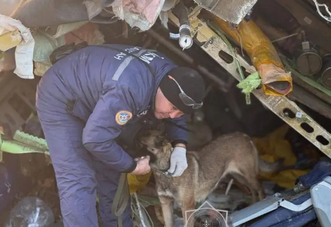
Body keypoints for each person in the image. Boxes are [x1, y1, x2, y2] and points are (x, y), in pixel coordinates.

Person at [35, 44, 206, 227]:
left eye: (180, 113)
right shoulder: (130, 91)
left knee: (111, 171)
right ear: (162, 89)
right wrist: (132, 165)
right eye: (172, 108)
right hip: (60, 96)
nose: (173, 116)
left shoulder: (172, 75)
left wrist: (180, 145)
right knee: (78, 179)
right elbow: (95, 139)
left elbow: (177, 108)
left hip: (96, 96)